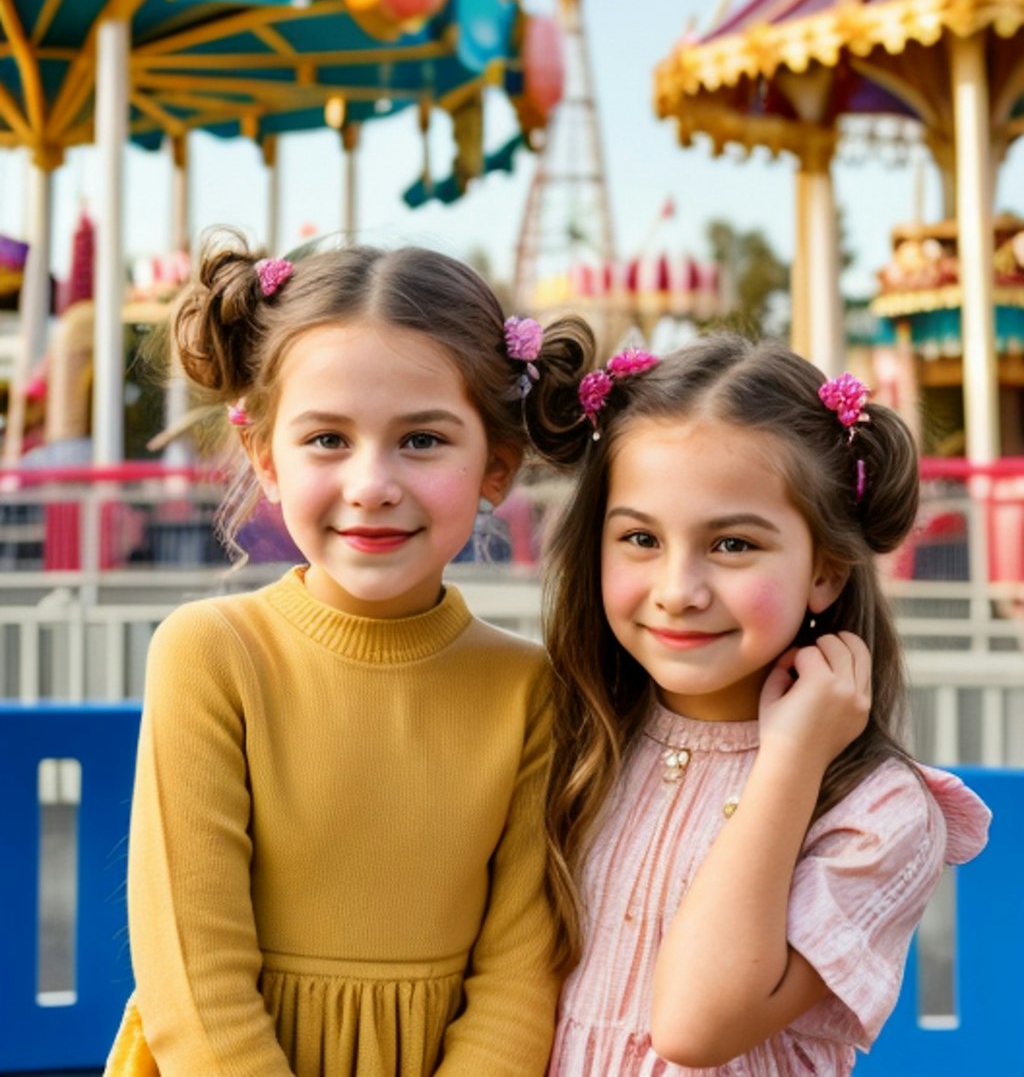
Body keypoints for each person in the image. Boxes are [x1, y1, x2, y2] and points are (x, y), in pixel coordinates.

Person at [104, 233, 586, 1077]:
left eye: (423, 441)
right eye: (327, 439)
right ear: (267, 459)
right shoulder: (212, 656)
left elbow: (520, 978)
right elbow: (192, 972)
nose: (372, 483)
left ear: (496, 468)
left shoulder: (528, 690)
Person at [528, 332, 990, 1075]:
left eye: (733, 546)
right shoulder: (569, 737)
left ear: (826, 573)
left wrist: (792, 759)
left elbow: (694, 1025)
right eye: (641, 537)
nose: (679, 590)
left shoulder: (877, 815)